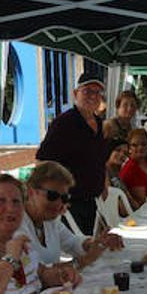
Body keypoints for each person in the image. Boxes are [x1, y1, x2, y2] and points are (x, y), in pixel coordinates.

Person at [21, 161, 124, 274]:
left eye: (64, 198)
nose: (59, 203)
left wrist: (97, 243)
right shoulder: (16, 226)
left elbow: (72, 242)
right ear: (31, 192)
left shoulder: (49, 221)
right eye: (52, 196)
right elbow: (36, 274)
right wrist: (85, 260)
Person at [36, 73, 108, 233]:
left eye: (97, 93)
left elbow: (99, 158)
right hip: (70, 203)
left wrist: (104, 182)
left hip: (92, 200)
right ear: (76, 94)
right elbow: (42, 161)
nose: (93, 96)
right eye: (87, 91)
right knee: (79, 249)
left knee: (92, 247)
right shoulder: (63, 123)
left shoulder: (98, 123)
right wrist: (56, 195)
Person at [119, 127, 147, 204]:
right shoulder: (131, 169)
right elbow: (141, 201)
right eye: (135, 145)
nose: (140, 148)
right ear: (129, 148)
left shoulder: (146, 163)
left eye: (143, 144)